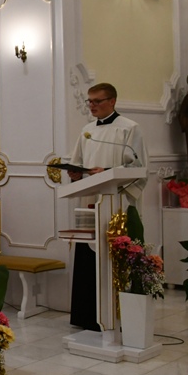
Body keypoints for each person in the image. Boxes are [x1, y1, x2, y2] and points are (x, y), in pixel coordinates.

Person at [67, 83, 148, 331]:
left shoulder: (129, 128)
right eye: (89, 101)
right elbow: (78, 162)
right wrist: (75, 173)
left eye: (97, 101)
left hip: (116, 203)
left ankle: (116, 316)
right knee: (88, 255)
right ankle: (86, 316)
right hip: (90, 202)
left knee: (113, 256)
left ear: (112, 101)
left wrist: (109, 172)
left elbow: (138, 168)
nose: (91, 106)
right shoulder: (87, 131)